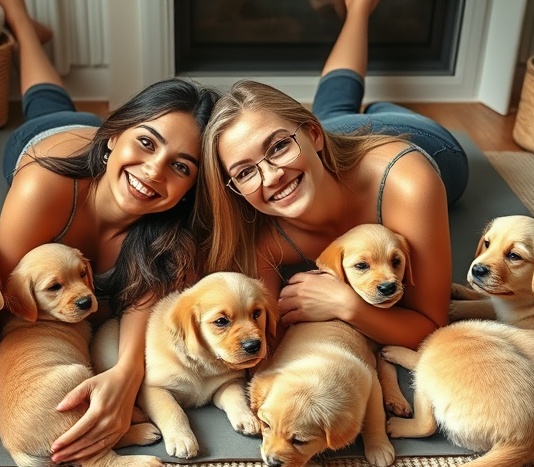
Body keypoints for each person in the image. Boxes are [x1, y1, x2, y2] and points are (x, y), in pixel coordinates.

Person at [0, 0, 219, 464]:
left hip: (104, 157)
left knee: (55, 100)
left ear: (190, 187)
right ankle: (19, 19)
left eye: (180, 166)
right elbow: (10, 305)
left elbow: (145, 301)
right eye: (146, 141)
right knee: (47, 104)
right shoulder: (42, 185)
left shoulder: (171, 232)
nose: (154, 172)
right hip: (54, 144)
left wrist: (125, 377)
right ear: (117, 133)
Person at [197, 0, 468, 349]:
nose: (272, 176)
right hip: (329, 138)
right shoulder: (262, 233)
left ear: (312, 136)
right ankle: (358, 9)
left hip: (415, 137)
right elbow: (267, 335)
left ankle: (377, 99)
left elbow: (432, 324)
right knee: (334, 108)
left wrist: (347, 305)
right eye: (246, 171)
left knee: (351, 113)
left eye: (277, 147)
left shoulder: (410, 184)